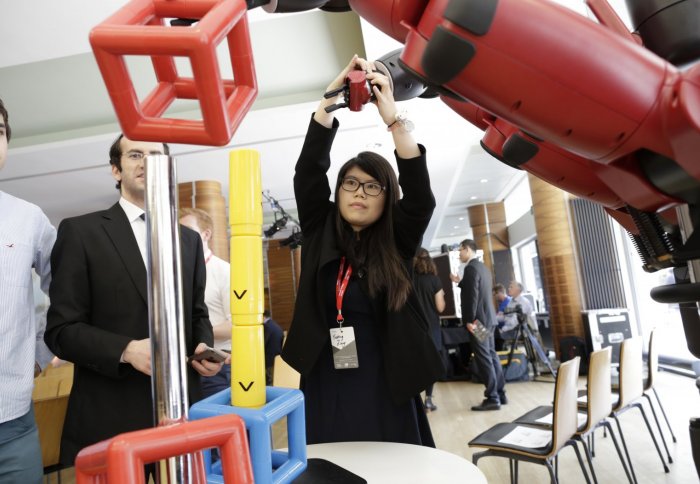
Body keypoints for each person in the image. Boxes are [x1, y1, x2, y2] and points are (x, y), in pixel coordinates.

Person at [281, 55, 443, 445]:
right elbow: (308, 173)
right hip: (324, 375)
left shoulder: (397, 239)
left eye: (373, 186)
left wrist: (392, 119)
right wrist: (326, 105)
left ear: (387, 198)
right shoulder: (321, 229)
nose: (359, 193)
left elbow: (420, 198)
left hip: (386, 377)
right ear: (338, 193)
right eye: (351, 184)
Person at [45, 134, 223, 466]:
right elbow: (61, 332)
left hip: (182, 414)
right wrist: (126, 350)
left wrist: (202, 346)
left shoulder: (188, 241)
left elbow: (197, 314)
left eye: (156, 156)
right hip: (110, 418)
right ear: (116, 170)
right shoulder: (81, 233)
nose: (146, 163)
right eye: (135, 155)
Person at [0, 97, 56, 483]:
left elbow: (70, 292)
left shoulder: (28, 218)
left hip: (13, 420)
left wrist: (41, 351)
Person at [180, 207, 232, 397]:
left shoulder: (225, 271)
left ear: (206, 234)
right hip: (181, 367)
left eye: (185, 230)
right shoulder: (173, 272)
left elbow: (236, 326)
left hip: (214, 367)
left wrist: (191, 333)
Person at [452, 239, 506, 411]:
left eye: (460, 250)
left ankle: (492, 398)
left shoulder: (470, 268)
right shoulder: (482, 268)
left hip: (477, 321)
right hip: (488, 319)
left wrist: (469, 320)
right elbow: (476, 289)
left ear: (467, 249)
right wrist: (459, 281)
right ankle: (500, 393)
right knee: (491, 355)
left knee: (483, 358)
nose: (459, 254)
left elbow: (472, 297)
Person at [413, 248, 446, 412]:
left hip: (413, 328)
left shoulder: (408, 279)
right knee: (431, 364)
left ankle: (416, 402)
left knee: (416, 364)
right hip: (431, 328)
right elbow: (440, 307)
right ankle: (428, 400)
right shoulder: (435, 281)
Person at [263, 310, 284, 385]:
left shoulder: (267, 326)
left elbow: (263, 343)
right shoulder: (274, 324)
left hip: (270, 358)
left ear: (262, 316)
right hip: (277, 355)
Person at [493, 283, 512, 351]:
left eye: (495, 294)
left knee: (486, 336)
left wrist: (491, 318)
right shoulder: (503, 303)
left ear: (500, 292)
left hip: (506, 330)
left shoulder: (508, 302)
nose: (495, 297)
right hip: (501, 329)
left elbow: (503, 318)